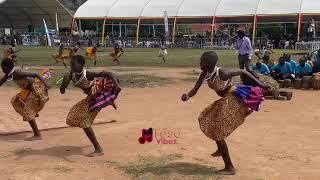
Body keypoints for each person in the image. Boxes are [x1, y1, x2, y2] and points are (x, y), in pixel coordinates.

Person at [181, 51, 269, 175]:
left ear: (209, 63)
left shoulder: (222, 73)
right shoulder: (204, 74)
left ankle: (229, 167)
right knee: (209, 121)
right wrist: (188, 95)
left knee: (217, 131)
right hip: (226, 99)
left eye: (202, 62)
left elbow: (243, 71)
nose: (200, 64)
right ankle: (220, 148)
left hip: (233, 98)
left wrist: (260, 84)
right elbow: (196, 88)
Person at [60, 55, 121, 157]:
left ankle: (98, 149)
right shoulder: (71, 74)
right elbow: (63, 87)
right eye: (71, 64)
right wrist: (63, 86)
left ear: (81, 65)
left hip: (96, 96)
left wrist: (117, 86)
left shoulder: (88, 74)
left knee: (85, 122)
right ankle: (109, 101)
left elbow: (109, 73)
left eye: (73, 64)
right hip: (90, 97)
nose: (71, 66)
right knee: (72, 115)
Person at [0, 58, 50, 141]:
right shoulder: (8, 75)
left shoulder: (17, 73)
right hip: (28, 92)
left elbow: (36, 74)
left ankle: (37, 134)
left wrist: (46, 84)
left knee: (27, 111)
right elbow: (1, 82)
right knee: (16, 101)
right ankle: (32, 113)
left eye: (2, 68)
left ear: (6, 68)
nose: (2, 70)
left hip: (36, 91)